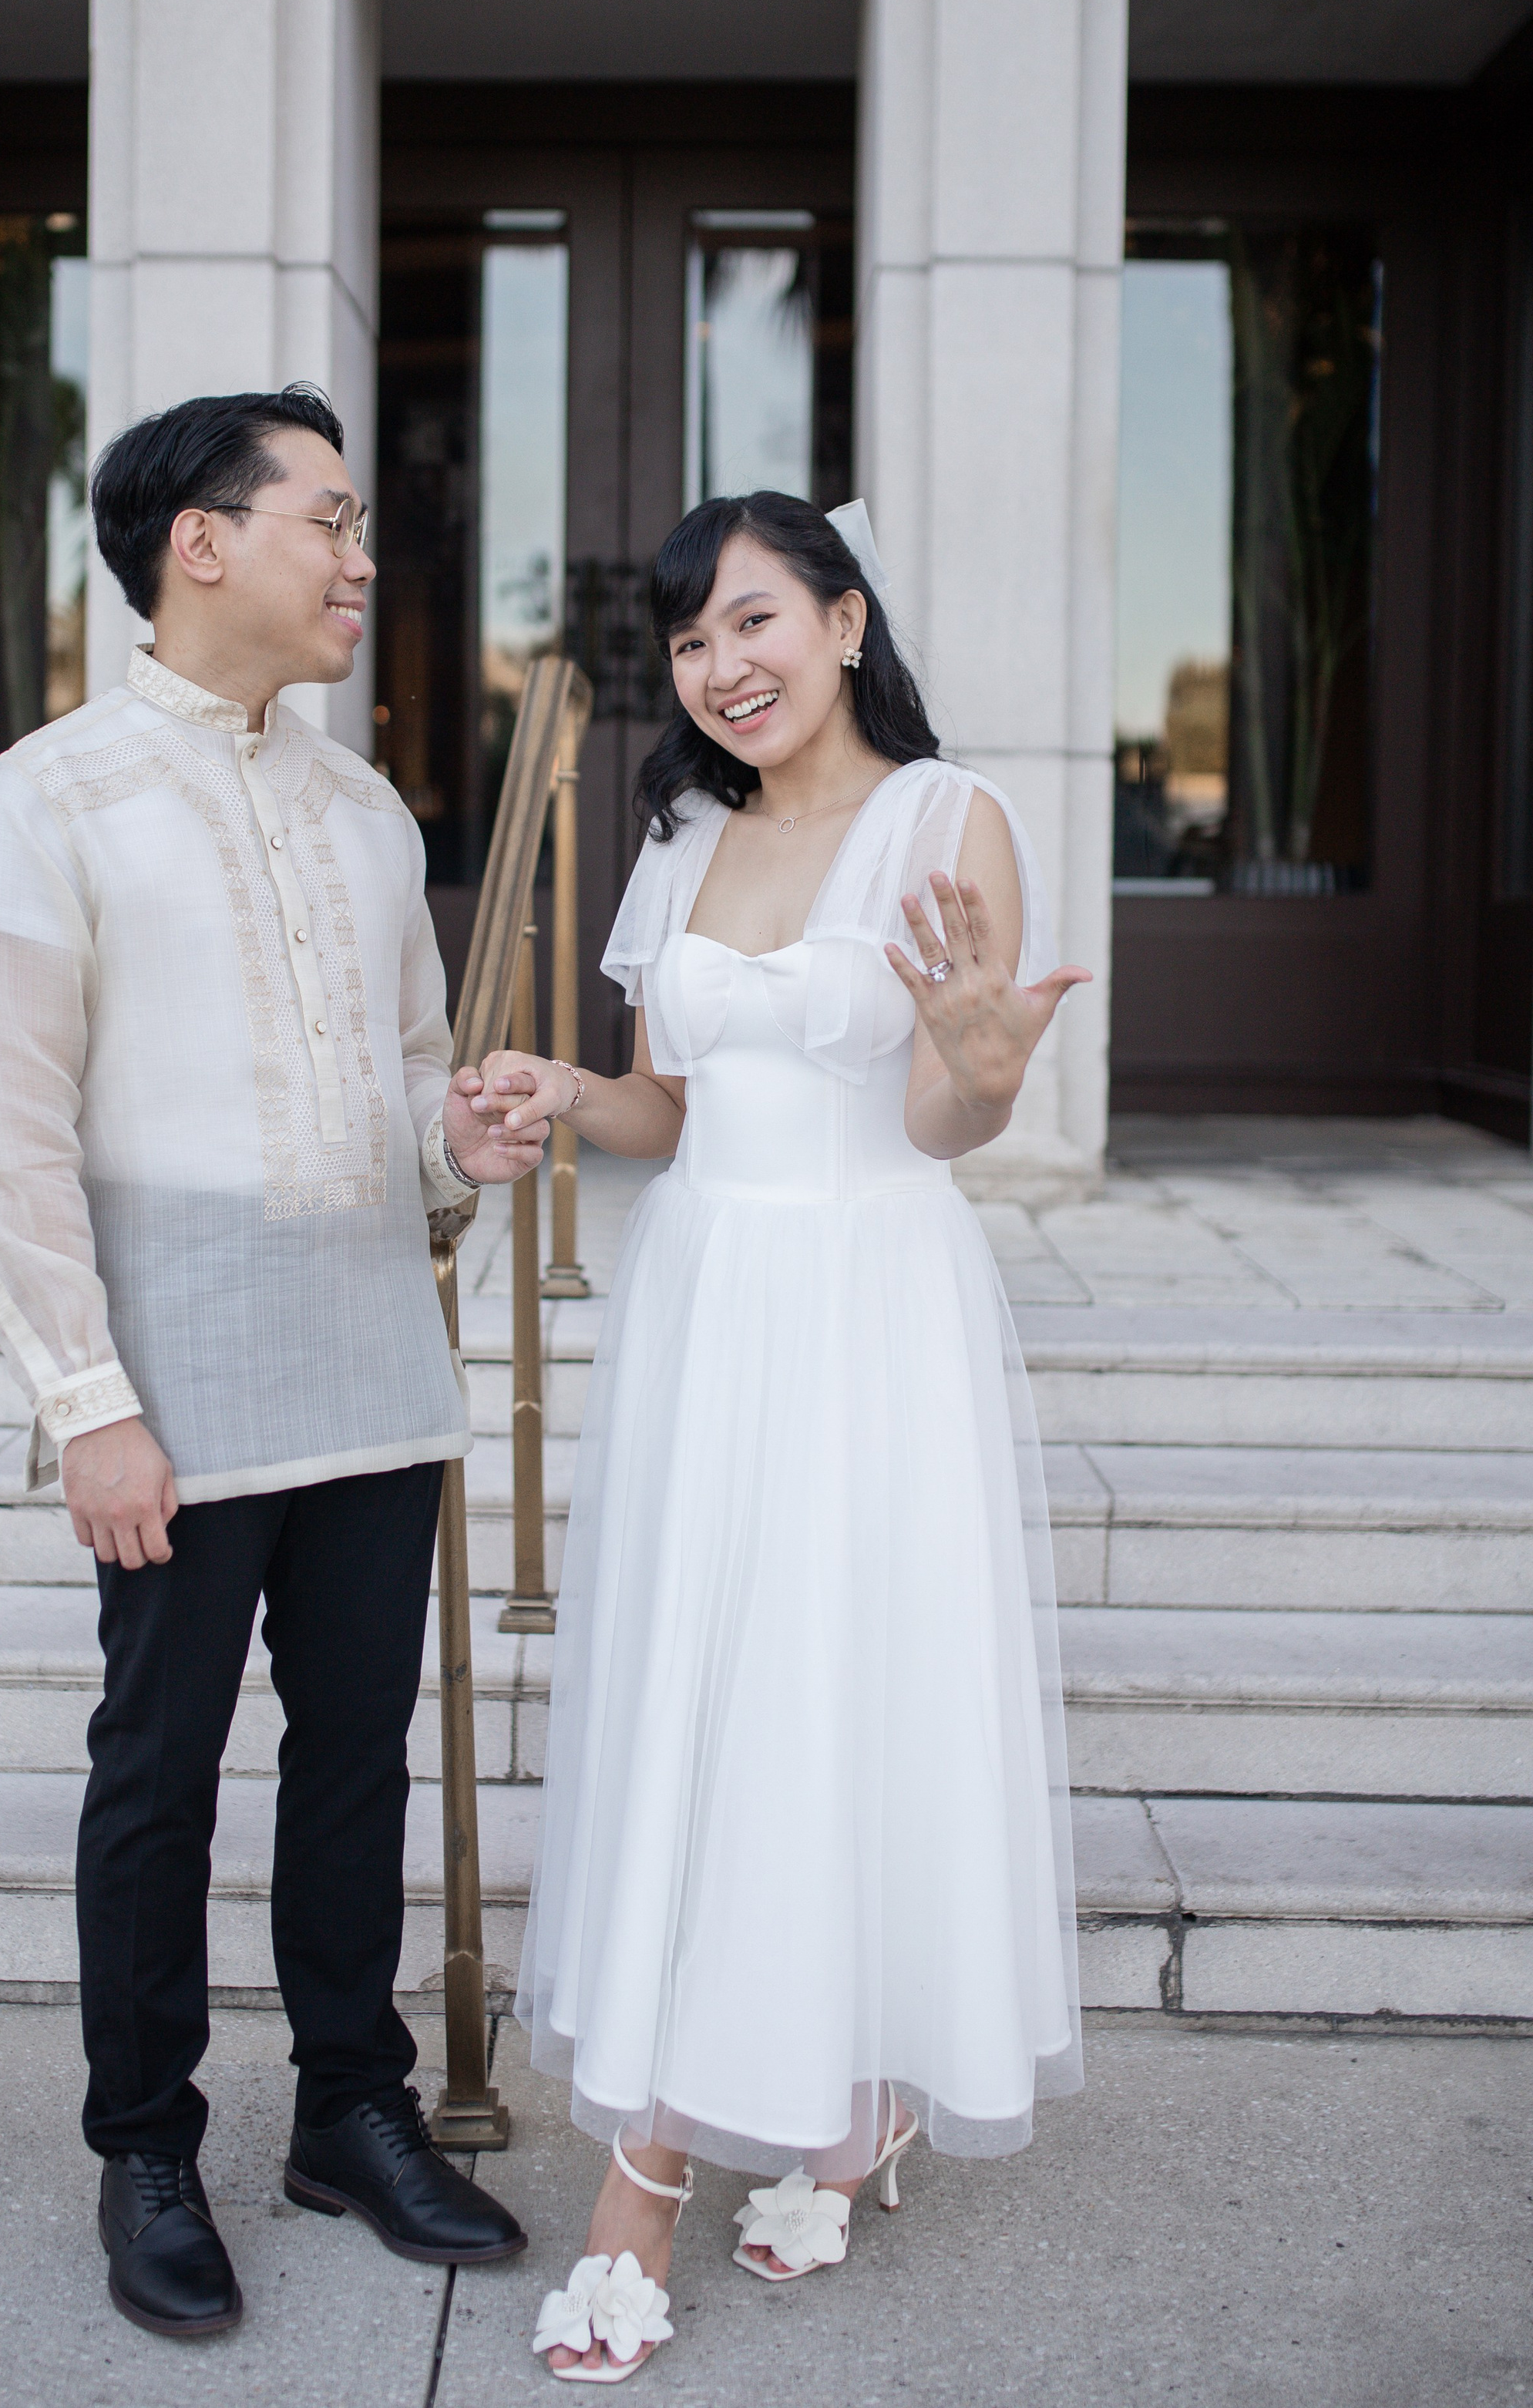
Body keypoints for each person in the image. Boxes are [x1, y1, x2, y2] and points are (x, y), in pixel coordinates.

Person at [452, 490, 1090, 2384]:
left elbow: (941, 1113)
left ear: (842, 615)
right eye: (687, 640)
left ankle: (637, 2189)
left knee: (813, 1704)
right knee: (703, 1696)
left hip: (862, 1311)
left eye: (753, 623)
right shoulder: (678, 830)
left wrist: (977, 1065)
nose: (720, 668)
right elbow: (670, 1104)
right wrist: (568, 1090)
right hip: (702, 1308)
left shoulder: (942, 816)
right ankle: (845, 2104)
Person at [0, 385, 539, 2339]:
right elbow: (6, 1137)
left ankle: (349, 2110)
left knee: (356, 1762)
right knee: (158, 1775)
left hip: (366, 1366)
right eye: (331, 523)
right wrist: (85, 1406)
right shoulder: (49, 800)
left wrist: (464, 1144)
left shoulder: (366, 812)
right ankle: (144, 2147)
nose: (366, 562)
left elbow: (403, 1085)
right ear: (200, 538)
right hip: (169, 1393)